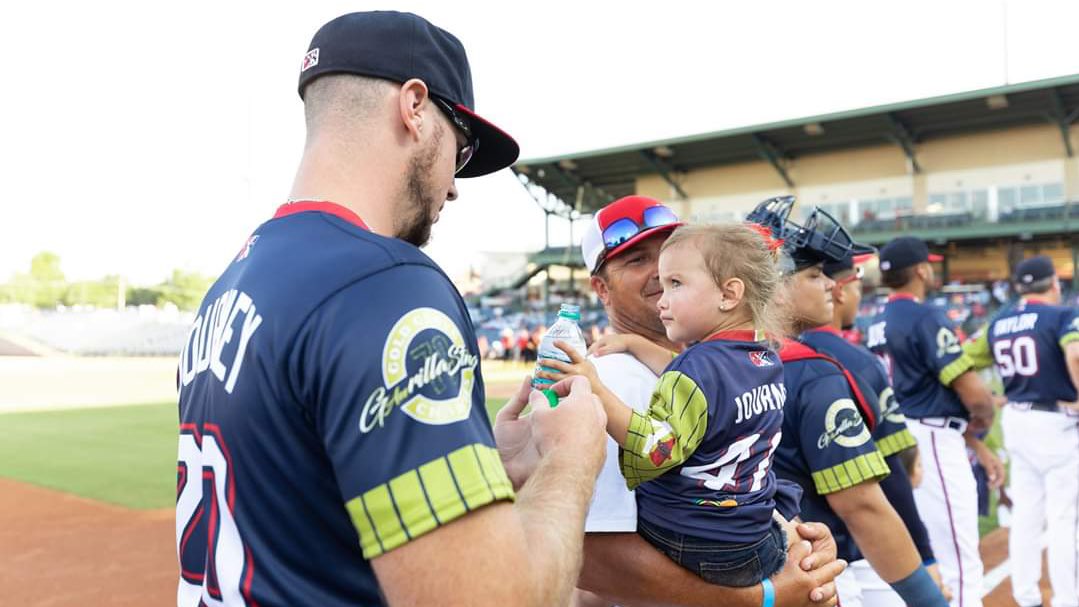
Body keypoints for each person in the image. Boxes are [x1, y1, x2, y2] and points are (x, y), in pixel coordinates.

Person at [175, 11, 609, 606]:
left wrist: (486, 463)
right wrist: (570, 460)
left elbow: (308, 497)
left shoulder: (234, 281)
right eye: (459, 150)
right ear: (413, 106)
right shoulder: (387, 283)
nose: (454, 185)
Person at [556, 196, 845, 607]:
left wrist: (794, 537)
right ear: (601, 288)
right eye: (638, 260)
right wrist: (764, 595)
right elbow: (595, 556)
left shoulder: (706, 365)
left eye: (673, 266)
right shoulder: (613, 378)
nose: (659, 274)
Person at [746, 198, 950, 607]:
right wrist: (929, 595)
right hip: (818, 574)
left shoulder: (698, 362)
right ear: (776, 287)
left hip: (735, 579)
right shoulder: (813, 372)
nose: (831, 285)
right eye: (815, 274)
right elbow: (862, 506)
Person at [801, 251, 947, 606]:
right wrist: (924, 556)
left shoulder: (760, 358)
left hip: (797, 557)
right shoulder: (845, 362)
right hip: (853, 551)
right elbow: (893, 472)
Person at [866, 235, 1002, 607]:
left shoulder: (876, 320)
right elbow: (974, 393)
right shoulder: (925, 315)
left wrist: (973, 443)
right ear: (922, 270)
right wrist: (983, 418)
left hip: (898, 436)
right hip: (932, 439)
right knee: (957, 555)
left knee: (918, 547)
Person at [963, 255, 1079, 607]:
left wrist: (992, 397)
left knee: (1027, 514)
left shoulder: (999, 322)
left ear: (1020, 288)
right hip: (1055, 419)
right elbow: (1075, 355)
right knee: (1063, 518)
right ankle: (1066, 598)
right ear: (1055, 284)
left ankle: (1026, 595)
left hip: (1017, 419)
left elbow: (963, 360)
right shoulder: (1062, 315)